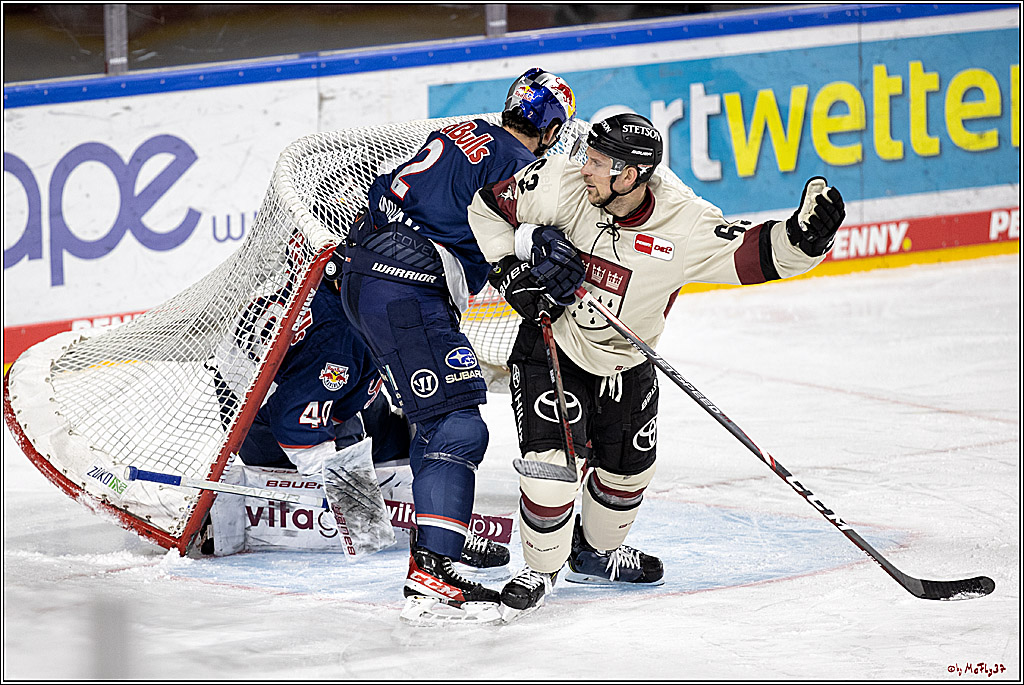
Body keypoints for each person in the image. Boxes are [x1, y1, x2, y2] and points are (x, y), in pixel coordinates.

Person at [467, 112, 846, 617]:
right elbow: (486, 206)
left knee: (627, 477)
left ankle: (593, 554)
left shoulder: (683, 222)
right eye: (588, 158)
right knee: (549, 472)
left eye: (599, 163)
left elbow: (755, 256)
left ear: (630, 175)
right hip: (551, 343)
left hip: (628, 358)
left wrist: (805, 240)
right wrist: (511, 265)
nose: (585, 169)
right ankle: (540, 567)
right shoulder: (560, 183)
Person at [338, 68, 577, 608]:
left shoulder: (466, 132)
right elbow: (512, 232)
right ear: (554, 127)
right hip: (405, 288)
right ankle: (434, 568)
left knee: (434, 418)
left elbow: (457, 213)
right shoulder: (521, 165)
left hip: (365, 276)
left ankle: (438, 541)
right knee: (458, 421)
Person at [202, 274, 509, 569]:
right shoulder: (337, 344)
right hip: (263, 421)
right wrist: (352, 501)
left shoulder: (346, 288)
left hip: (301, 381)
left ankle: (428, 511)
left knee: (395, 427)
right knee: (352, 487)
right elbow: (295, 420)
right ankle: (426, 530)